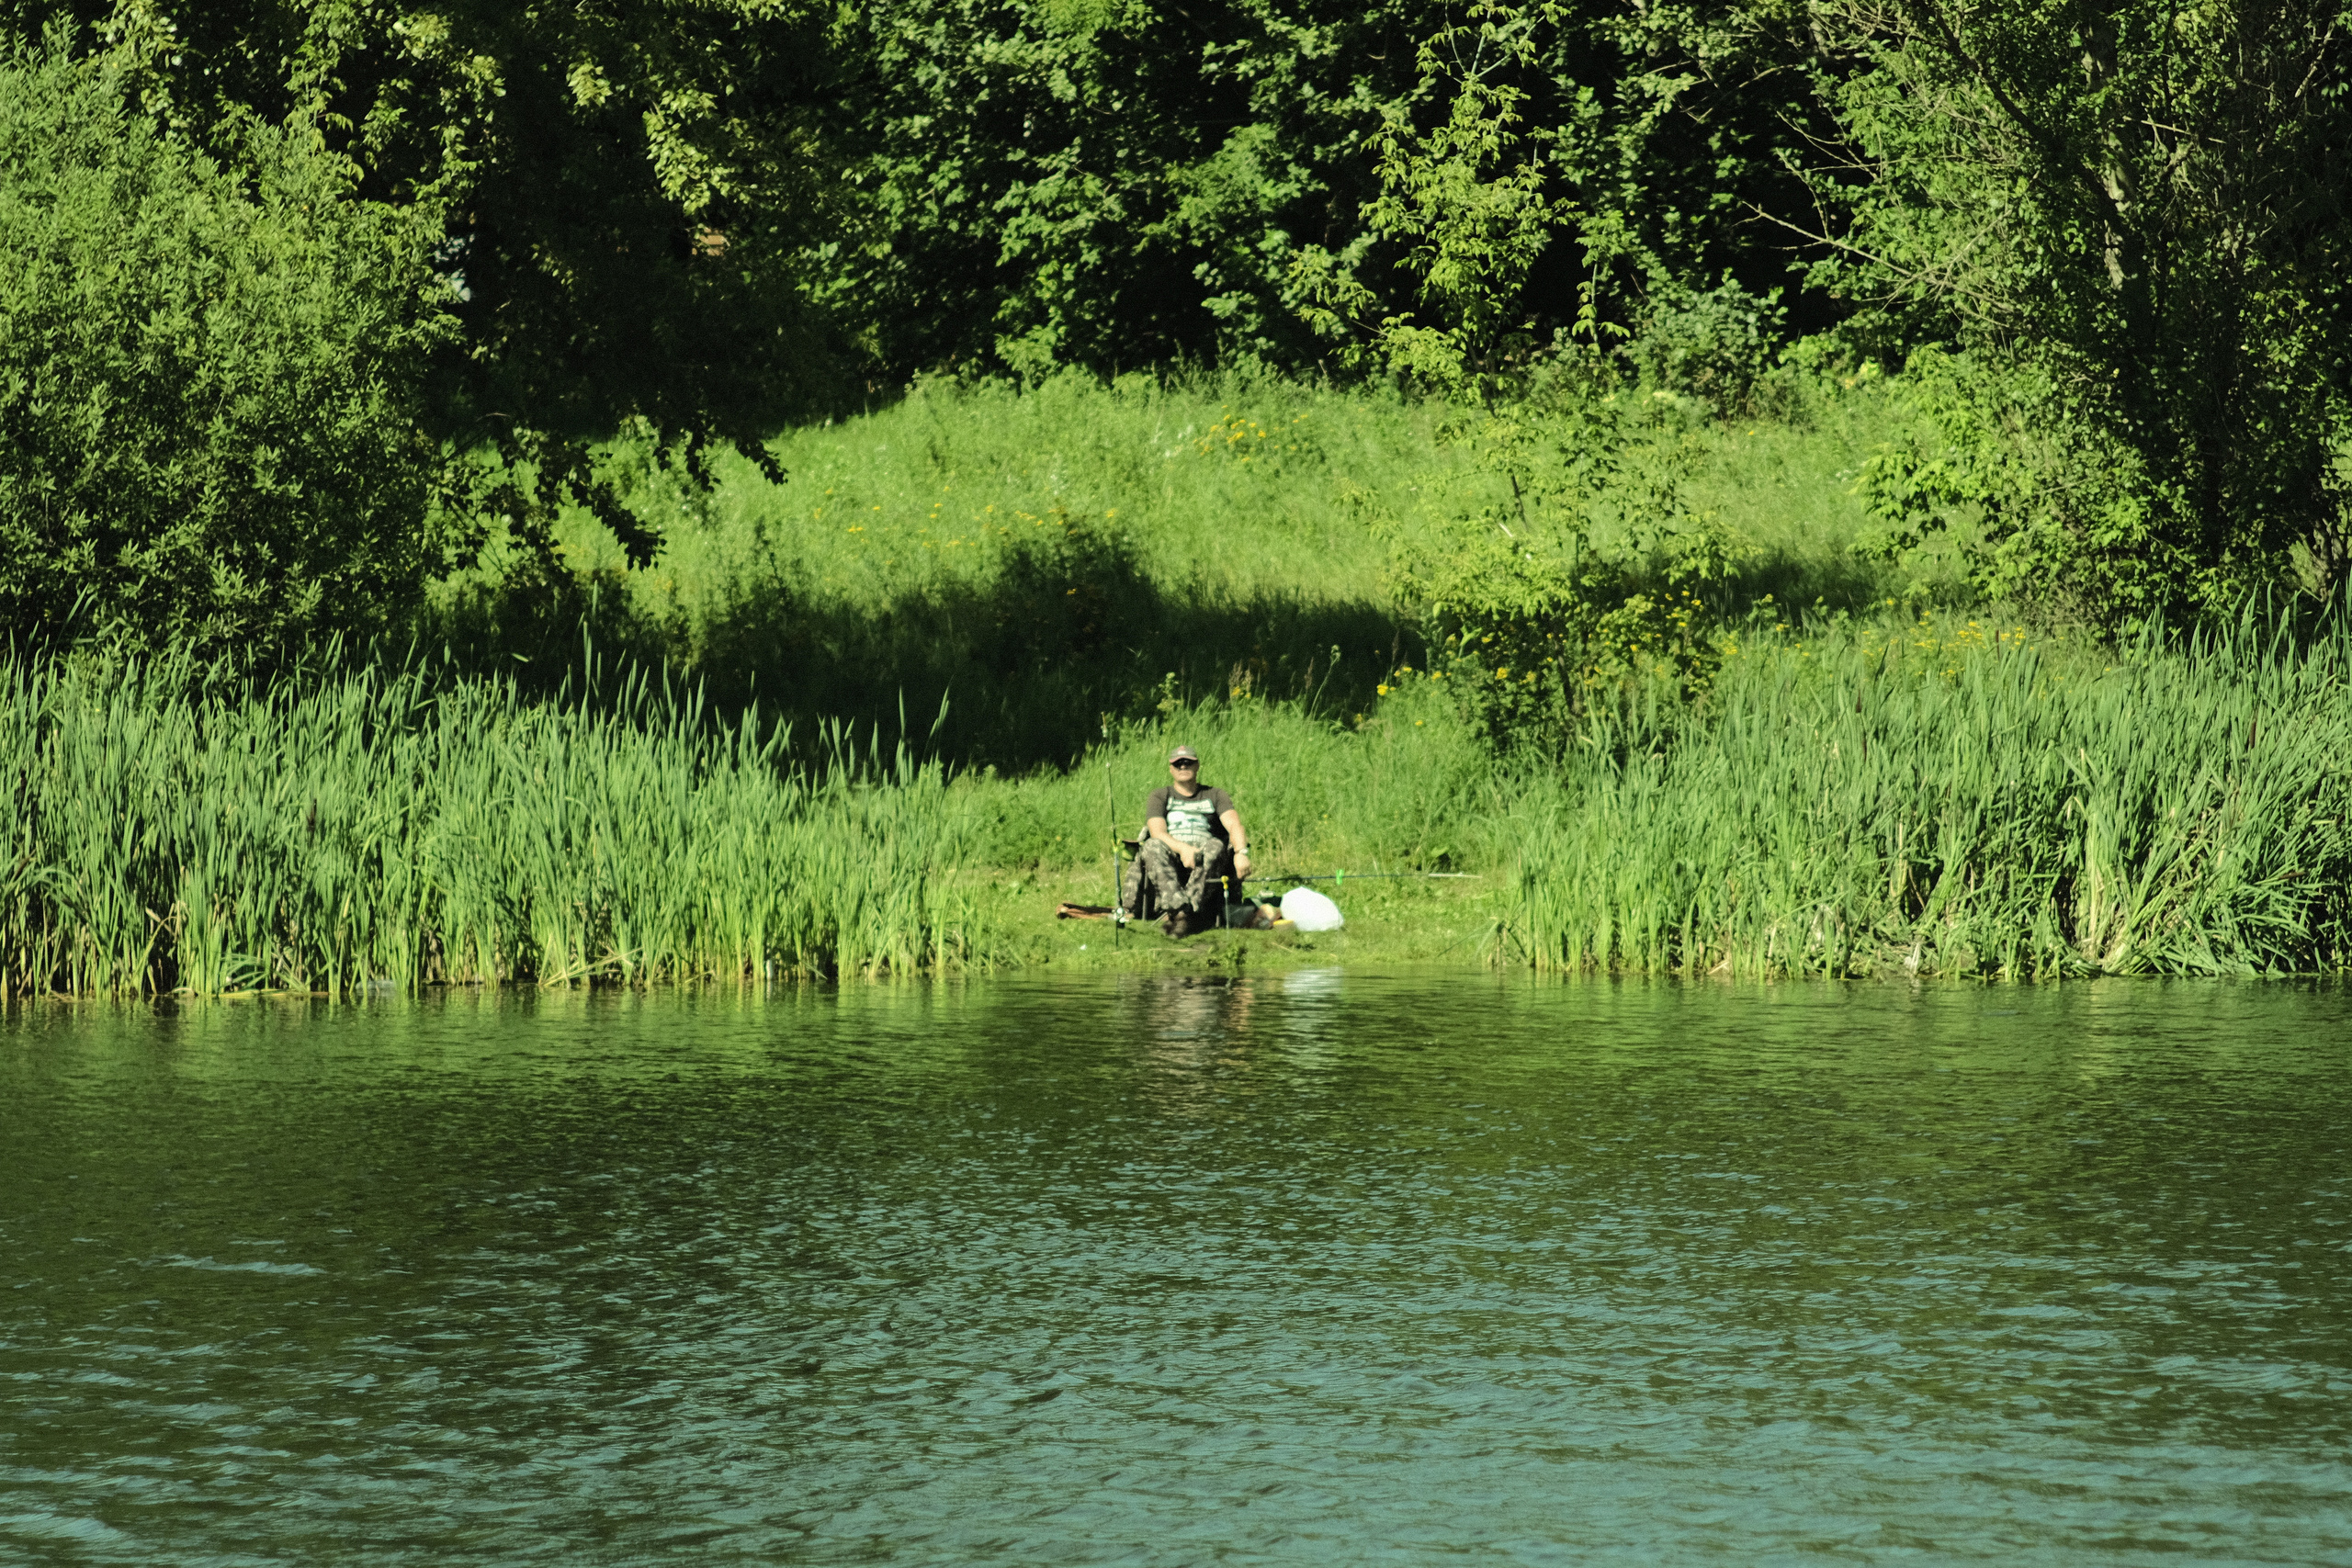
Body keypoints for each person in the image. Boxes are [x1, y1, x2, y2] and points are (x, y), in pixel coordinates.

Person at [1122, 744, 1254, 937]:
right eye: (1178, 764)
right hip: (1171, 853)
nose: (1183, 767)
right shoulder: (1160, 795)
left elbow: (1235, 825)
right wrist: (1183, 849)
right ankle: (1180, 911)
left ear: (1197, 765)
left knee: (1216, 845)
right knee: (1152, 846)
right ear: (1171, 769)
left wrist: (1241, 853)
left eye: (1188, 762)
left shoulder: (1215, 795)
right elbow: (1157, 831)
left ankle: (1184, 914)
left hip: (1205, 855)